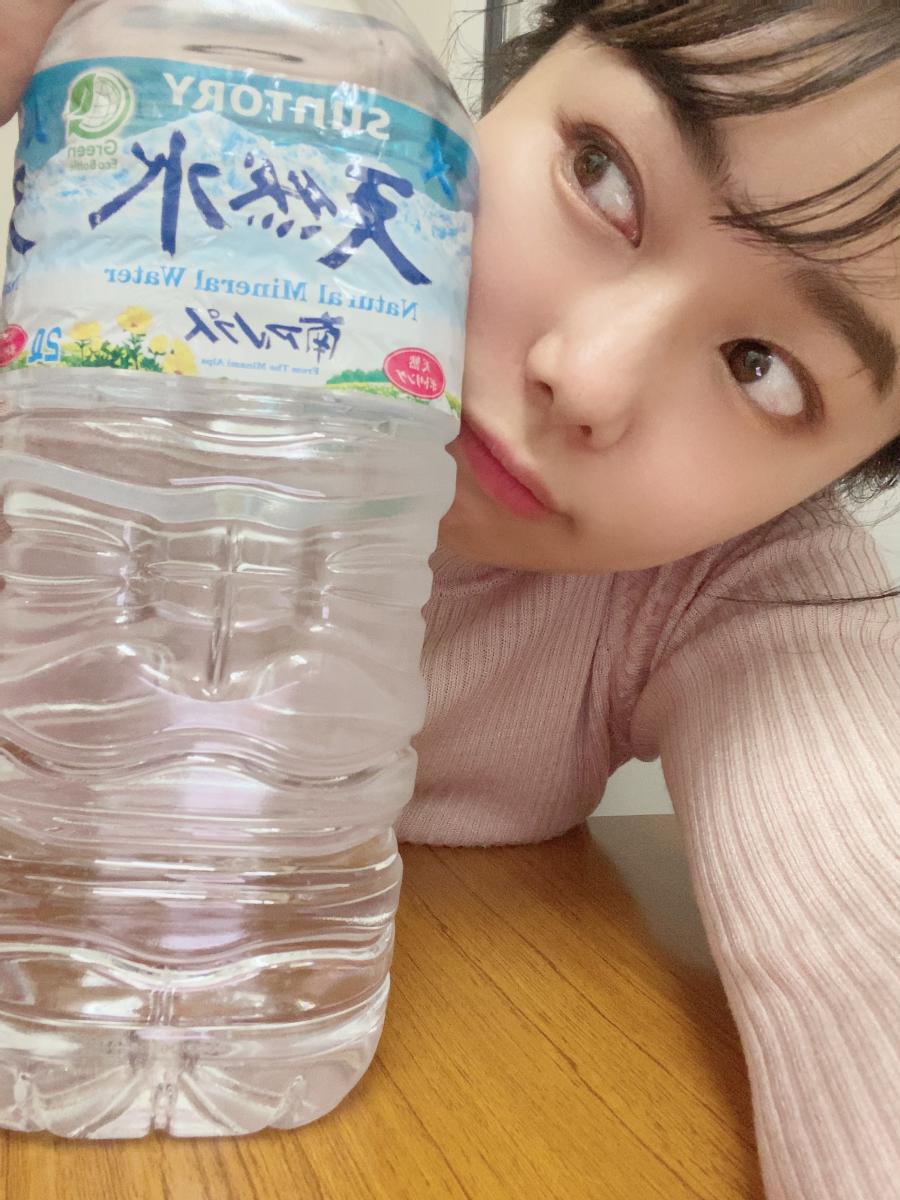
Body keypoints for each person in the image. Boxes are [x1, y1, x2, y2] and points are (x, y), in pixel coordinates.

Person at [1, 2, 898, 1197]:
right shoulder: (75, 387)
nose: (586, 376)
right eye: (603, 174)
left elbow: (862, 925)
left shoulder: (728, 592)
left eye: (762, 370)